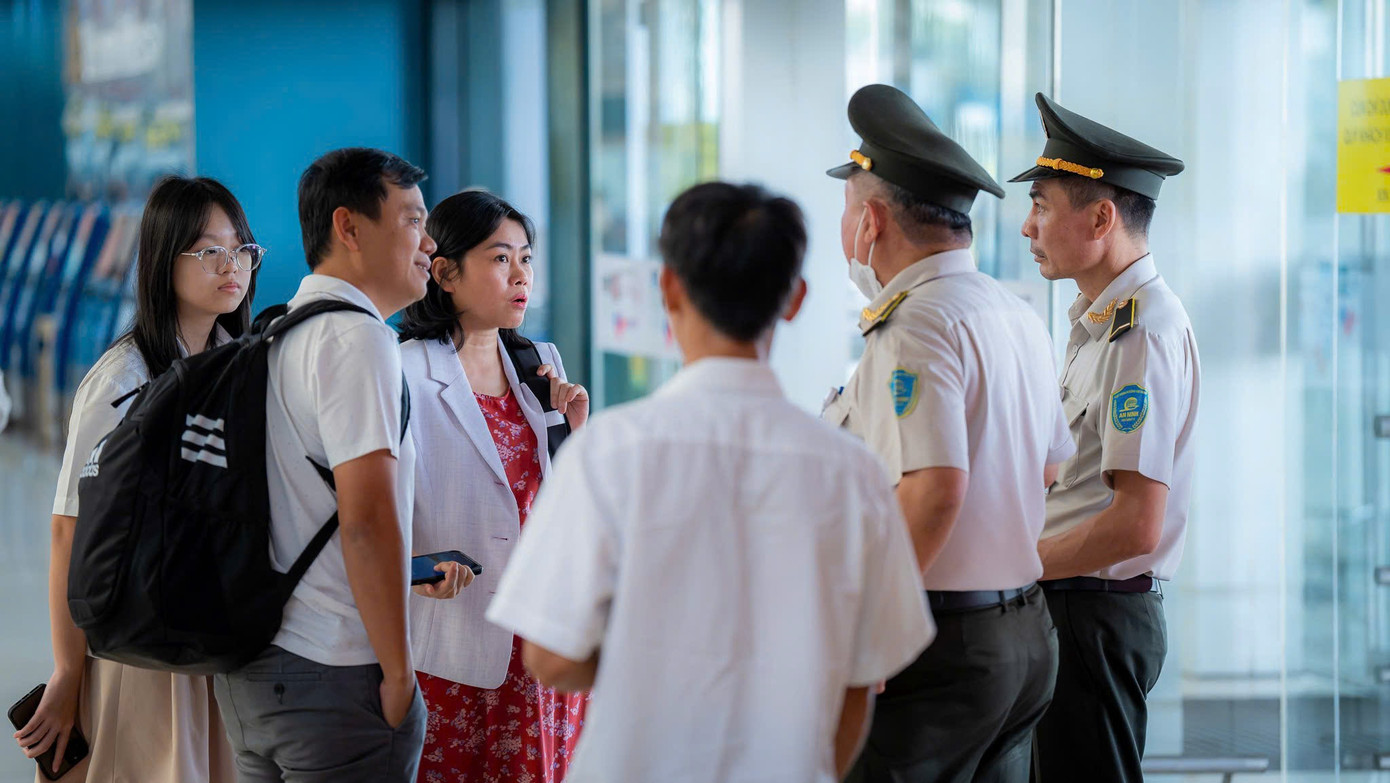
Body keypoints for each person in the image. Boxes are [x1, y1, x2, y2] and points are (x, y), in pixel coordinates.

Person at [485, 181, 934, 783]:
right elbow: (863, 679)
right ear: (794, 299)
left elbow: (550, 655)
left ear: (669, 287)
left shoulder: (610, 452)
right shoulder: (853, 473)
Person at [822, 84, 1076, 783]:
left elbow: (935, 489)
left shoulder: (913, 323)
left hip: (941, 646)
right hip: (1022, 635)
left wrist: (873, 626)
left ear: (871, 222)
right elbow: (1049, 469)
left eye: (846, 209)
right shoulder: (1012, 311)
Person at [212, 147, 461, 782]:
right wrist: (399, 674)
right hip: (333, 672)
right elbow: (367, 520)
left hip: (255, 670)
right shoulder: (358, 338)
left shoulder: (279, 330)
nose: (429, 242)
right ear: (348, 228)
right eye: (412, 220)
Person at [14, 175, 261, 782]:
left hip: (216, 636)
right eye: (208, 250)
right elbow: (69, 530)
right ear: (162, 261)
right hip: (142, 644)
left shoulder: (239, 362)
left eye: (242, 249)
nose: (231, 265)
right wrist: (68, 672)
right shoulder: (123, 379)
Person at [1010, 93, 1199, 783]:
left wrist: (1016, 563)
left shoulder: (1139, 333)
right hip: (1073, 605)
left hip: (1094, 613)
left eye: (1041, 206)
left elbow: (1134, 523)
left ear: (1100, 218)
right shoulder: (1098, 323)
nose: (1028, 227)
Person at [397, 189, 589, 782]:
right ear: (445, 273)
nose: (521, 275)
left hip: (541, 637)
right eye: (500, 258)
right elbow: (382, 505)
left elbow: (563, 505)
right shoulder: (405, 370)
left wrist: (576, 432)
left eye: (526, 258)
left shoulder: (540, 363)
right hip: (456, 639)